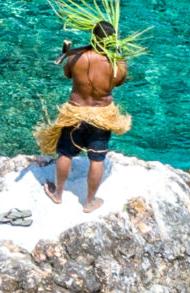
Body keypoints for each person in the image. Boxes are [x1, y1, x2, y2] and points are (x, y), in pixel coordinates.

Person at [34, 22, 130, 211]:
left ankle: (57, 194)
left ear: (92, 37)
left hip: (75, 113)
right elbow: (118, 83)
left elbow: (68, 74)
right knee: (96, 159)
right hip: (101, 115)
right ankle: (89, 201)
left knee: (65, 154)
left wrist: (72, 52)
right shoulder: (118, 64)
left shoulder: (76, 58)